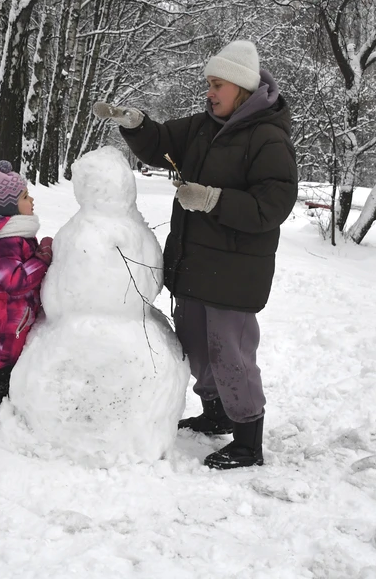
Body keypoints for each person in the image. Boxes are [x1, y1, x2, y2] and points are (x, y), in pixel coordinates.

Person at [92, 40, 298, 469]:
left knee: (231, 355)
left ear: (240, 87)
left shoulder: (267, 137)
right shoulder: (205, 127)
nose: (209, 92)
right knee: (197, 349)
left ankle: (247, 439)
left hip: (235, 271)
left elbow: (272, 206)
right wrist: (136, 124)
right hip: (196, 266)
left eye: (217, 84)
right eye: (208, 83)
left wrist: (212, 199)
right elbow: (162, 142)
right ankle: (216, 412)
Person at [0, 160, 53, 429]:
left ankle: (3, 397)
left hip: (20, 312)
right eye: (25, 196)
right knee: (2, 360)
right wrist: (43, 258)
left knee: (14, 359)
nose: (32, 199)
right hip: (5, 316)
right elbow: (14, 280)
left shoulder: (16, 233)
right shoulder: (2, 243)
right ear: (8, 207)